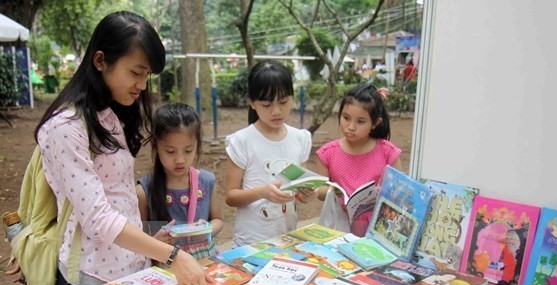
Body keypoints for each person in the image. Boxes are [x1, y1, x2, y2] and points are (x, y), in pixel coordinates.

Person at [25, 11, 213, 285]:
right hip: (92, 276)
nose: (142, 85)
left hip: (128, 267)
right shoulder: (64, 128)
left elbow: (117, 196)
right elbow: (96, 218)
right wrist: (173, 256)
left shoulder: (109, 114)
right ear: (101, 61)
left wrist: (144, 239)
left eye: (146, 75)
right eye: (136, 72)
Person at [225, 59, 314, 247]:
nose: (276, 111)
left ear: (292, 97)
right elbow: (231, 196)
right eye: (266, 105)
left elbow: (299, 185)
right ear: (252, 103)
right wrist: (262, 192)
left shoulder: (300, 138)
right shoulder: (242, 141)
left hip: (288, 238)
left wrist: (304, 193)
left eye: (283, 102)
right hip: (251, 242)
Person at [137, 103, 223, 260]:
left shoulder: (206, 181)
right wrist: (156, 241)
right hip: (167, 267)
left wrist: (207, 229)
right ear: (155, 146)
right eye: (170, 151)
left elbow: (218, 220)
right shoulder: (145, 191)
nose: (180, 160)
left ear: (197, 145)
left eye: (188, 150)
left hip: (204, 263)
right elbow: (140, 240)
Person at [316, 83, 402, 236]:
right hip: (339, 227)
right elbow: (319, 191)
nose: (350, 126)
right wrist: (333, 191)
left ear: (375, 123)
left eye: (360, 121)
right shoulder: (327, 154)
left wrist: (382, 193)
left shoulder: (387, 153)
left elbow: (401, 191)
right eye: (346, 118)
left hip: (378, 229)